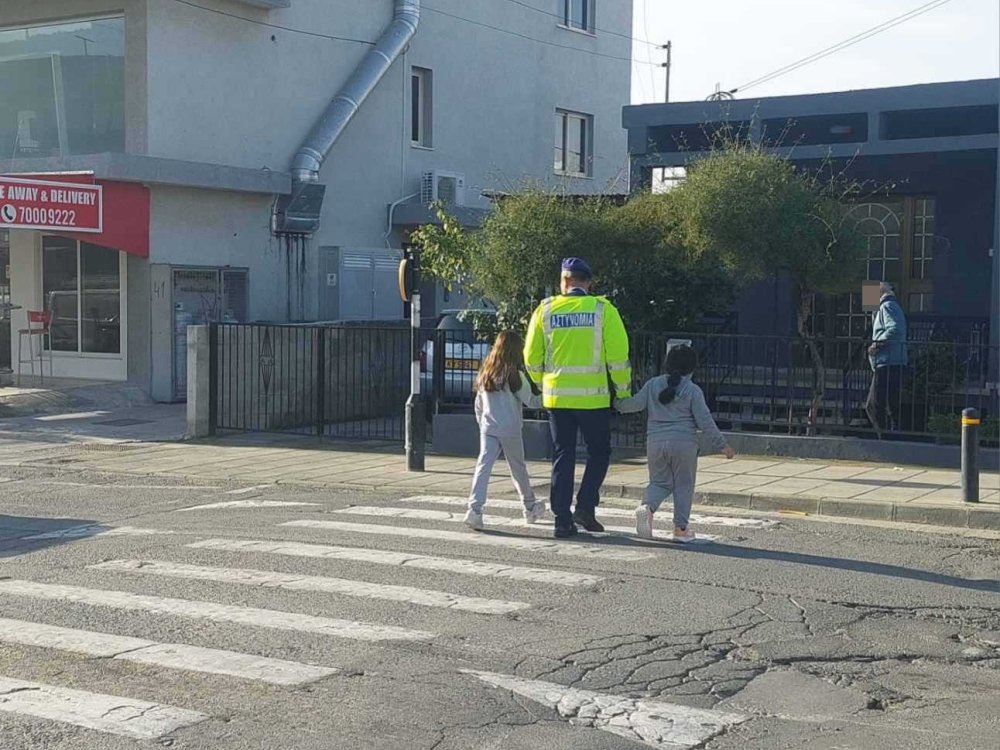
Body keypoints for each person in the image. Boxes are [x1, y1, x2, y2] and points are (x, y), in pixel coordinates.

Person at [524, 257, 632, 538]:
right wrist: (623, 393)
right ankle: (585, 506)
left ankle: (562, 520)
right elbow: (618, 357)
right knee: (599, 453)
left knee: (563, 455)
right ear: (588, 283)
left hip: (557, 399)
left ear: (564, 282)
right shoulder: (603, 310)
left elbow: (530, 357)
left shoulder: (545, 310)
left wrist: (541, 383)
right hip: (593, 400)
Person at [615, 344, 735, 543]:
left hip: (655, 442)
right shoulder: (692, 390)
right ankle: (680, 529)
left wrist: (616, 403)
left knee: (659, 482)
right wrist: (722, 445)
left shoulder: (653, 384)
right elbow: (705, 421)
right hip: (684, 444)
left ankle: (647, 508)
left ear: (667, 364)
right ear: (692, 368)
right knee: (683, 485)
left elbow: (633, 405)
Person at [464, 331, 547, 530]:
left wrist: (482, 423)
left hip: (488, 427)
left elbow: (478, 404)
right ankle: (529, 507)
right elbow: (532, 401)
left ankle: (474, 510)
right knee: (518, 469)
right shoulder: (514, 375)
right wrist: (550, 395)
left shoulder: (486, 372)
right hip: (510, 429)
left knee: (483, 467)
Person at [866, 281, 908, 436]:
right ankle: (891, 438)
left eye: (870, 294)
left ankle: (884, 439)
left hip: (887, 363)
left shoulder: (887, 306)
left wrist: (876, 346)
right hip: (892, 362)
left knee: (874, 405)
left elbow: (894, 329)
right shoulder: (888, 307)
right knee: (890, 404)